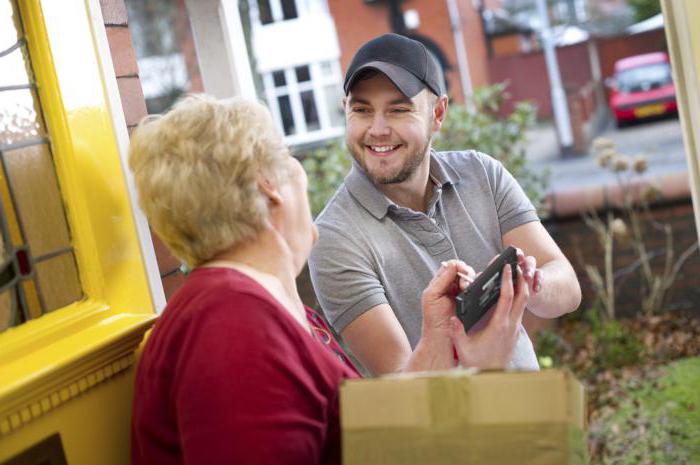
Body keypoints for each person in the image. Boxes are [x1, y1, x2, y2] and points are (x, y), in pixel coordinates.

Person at [128, 95, 530, 465]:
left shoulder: (251, 310)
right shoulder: (233, 330)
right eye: (288, 155)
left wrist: (435, 343)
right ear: (269, 187)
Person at [308, 33, 582, 376]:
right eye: (361, 110)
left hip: (532, 410)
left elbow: (567, 287)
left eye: (398, 109)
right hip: (449, 427)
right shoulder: (334, 238)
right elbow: (401, 379)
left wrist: (532, 283)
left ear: (438, 113)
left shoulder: (482, 173)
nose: (377, 130)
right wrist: (465, 352)